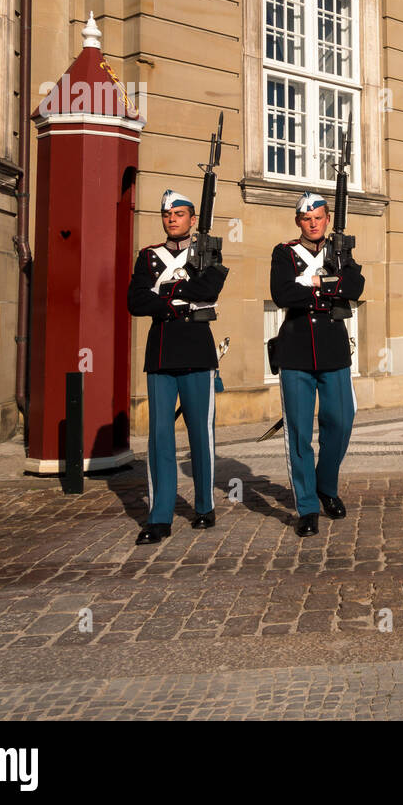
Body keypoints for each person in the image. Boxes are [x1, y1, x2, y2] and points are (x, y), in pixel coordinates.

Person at [126, 189, 228, 544]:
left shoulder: (208, 251)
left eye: (180, 214)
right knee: (159, 437)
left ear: (192, 219)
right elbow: (135, 301)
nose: (172, 219)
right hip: (161, 353)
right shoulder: (147, 256)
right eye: (167, 214)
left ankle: (204, 506)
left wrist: (164, 296)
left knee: (201, 433)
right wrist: (178, 300)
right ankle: (159, 515)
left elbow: (209, 289)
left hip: (198, 350)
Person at [270, 192, 365, 536]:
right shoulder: (283, 253)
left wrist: (311, 283)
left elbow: (355, 285)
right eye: (306, 219)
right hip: (295, 350)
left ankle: (326, 484)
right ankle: (307, 505)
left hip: (333, 349)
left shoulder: (340, 252)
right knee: (298, 431)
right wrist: (327, 288)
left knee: (340, 421)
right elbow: (282, 294)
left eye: (319, 217)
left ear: (327, 220)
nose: (313, 223)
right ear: (299, 222)